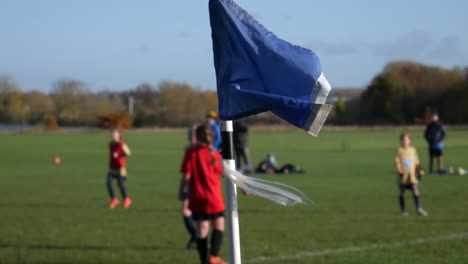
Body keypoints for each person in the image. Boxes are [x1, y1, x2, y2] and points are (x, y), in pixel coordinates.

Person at [178, 124, 227, 264]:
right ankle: (214, 256)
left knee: (202, 228)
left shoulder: (191, 153)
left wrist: (181, 191)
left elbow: (186, 176)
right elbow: (225, 174)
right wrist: (242, 187)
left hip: (197, 196)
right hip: (213, 197)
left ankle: (204, 261)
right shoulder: (215, 155)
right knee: (218, 224)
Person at [394, 133, 428, 216]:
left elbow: (416, 161)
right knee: (402, 192)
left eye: (406, 139)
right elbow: (397, 162)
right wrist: (399, 171)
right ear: (401, 141)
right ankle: (403, 210)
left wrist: (419, 169)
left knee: (415, 191)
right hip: (403, 177)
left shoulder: (413, 150)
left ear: (410, 141)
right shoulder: (399, 150)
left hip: (412, 176)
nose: (405, 141)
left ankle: (419, 208)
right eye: (403, 140)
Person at [181, 124, 198, 250]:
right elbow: (187, 173)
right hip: (191, 186)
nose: (191, 136)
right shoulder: (188, 150)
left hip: (202, 186)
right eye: (190, 134)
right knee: (186, 210)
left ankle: (196, 238)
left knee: (200, 216)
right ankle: (195, 236)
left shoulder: (206, 149)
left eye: (194, 134)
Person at [107, 129, 132, 209]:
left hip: (121, 169)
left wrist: (119, 155)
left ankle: (126, 199)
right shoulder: (111, 144)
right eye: (112, 133)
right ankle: (114, 199)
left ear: (119, 135)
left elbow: (128, 153)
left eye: (115, 134)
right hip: (112, 168)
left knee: (120, 184)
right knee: (109, 182)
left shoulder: (121, 144)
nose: (113, 135)